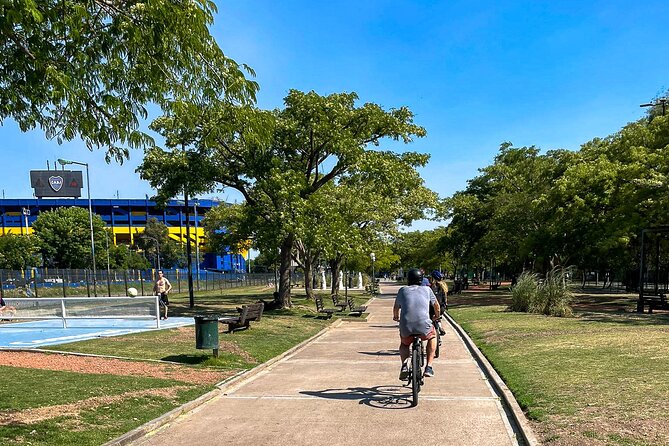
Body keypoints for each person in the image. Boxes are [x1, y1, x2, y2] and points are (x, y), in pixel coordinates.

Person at [393, 268, 440, 379]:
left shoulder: (402, 290)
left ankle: (404, 365)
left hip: (406, 326)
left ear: (408, 279)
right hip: (424, 326)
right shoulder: (427, 290)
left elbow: (396, 307)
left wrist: (396, 317)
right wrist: (437, 316)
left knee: (404, 344)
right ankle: (429, 367)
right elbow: (436, 305)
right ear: (421, 279)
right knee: (433, 336)